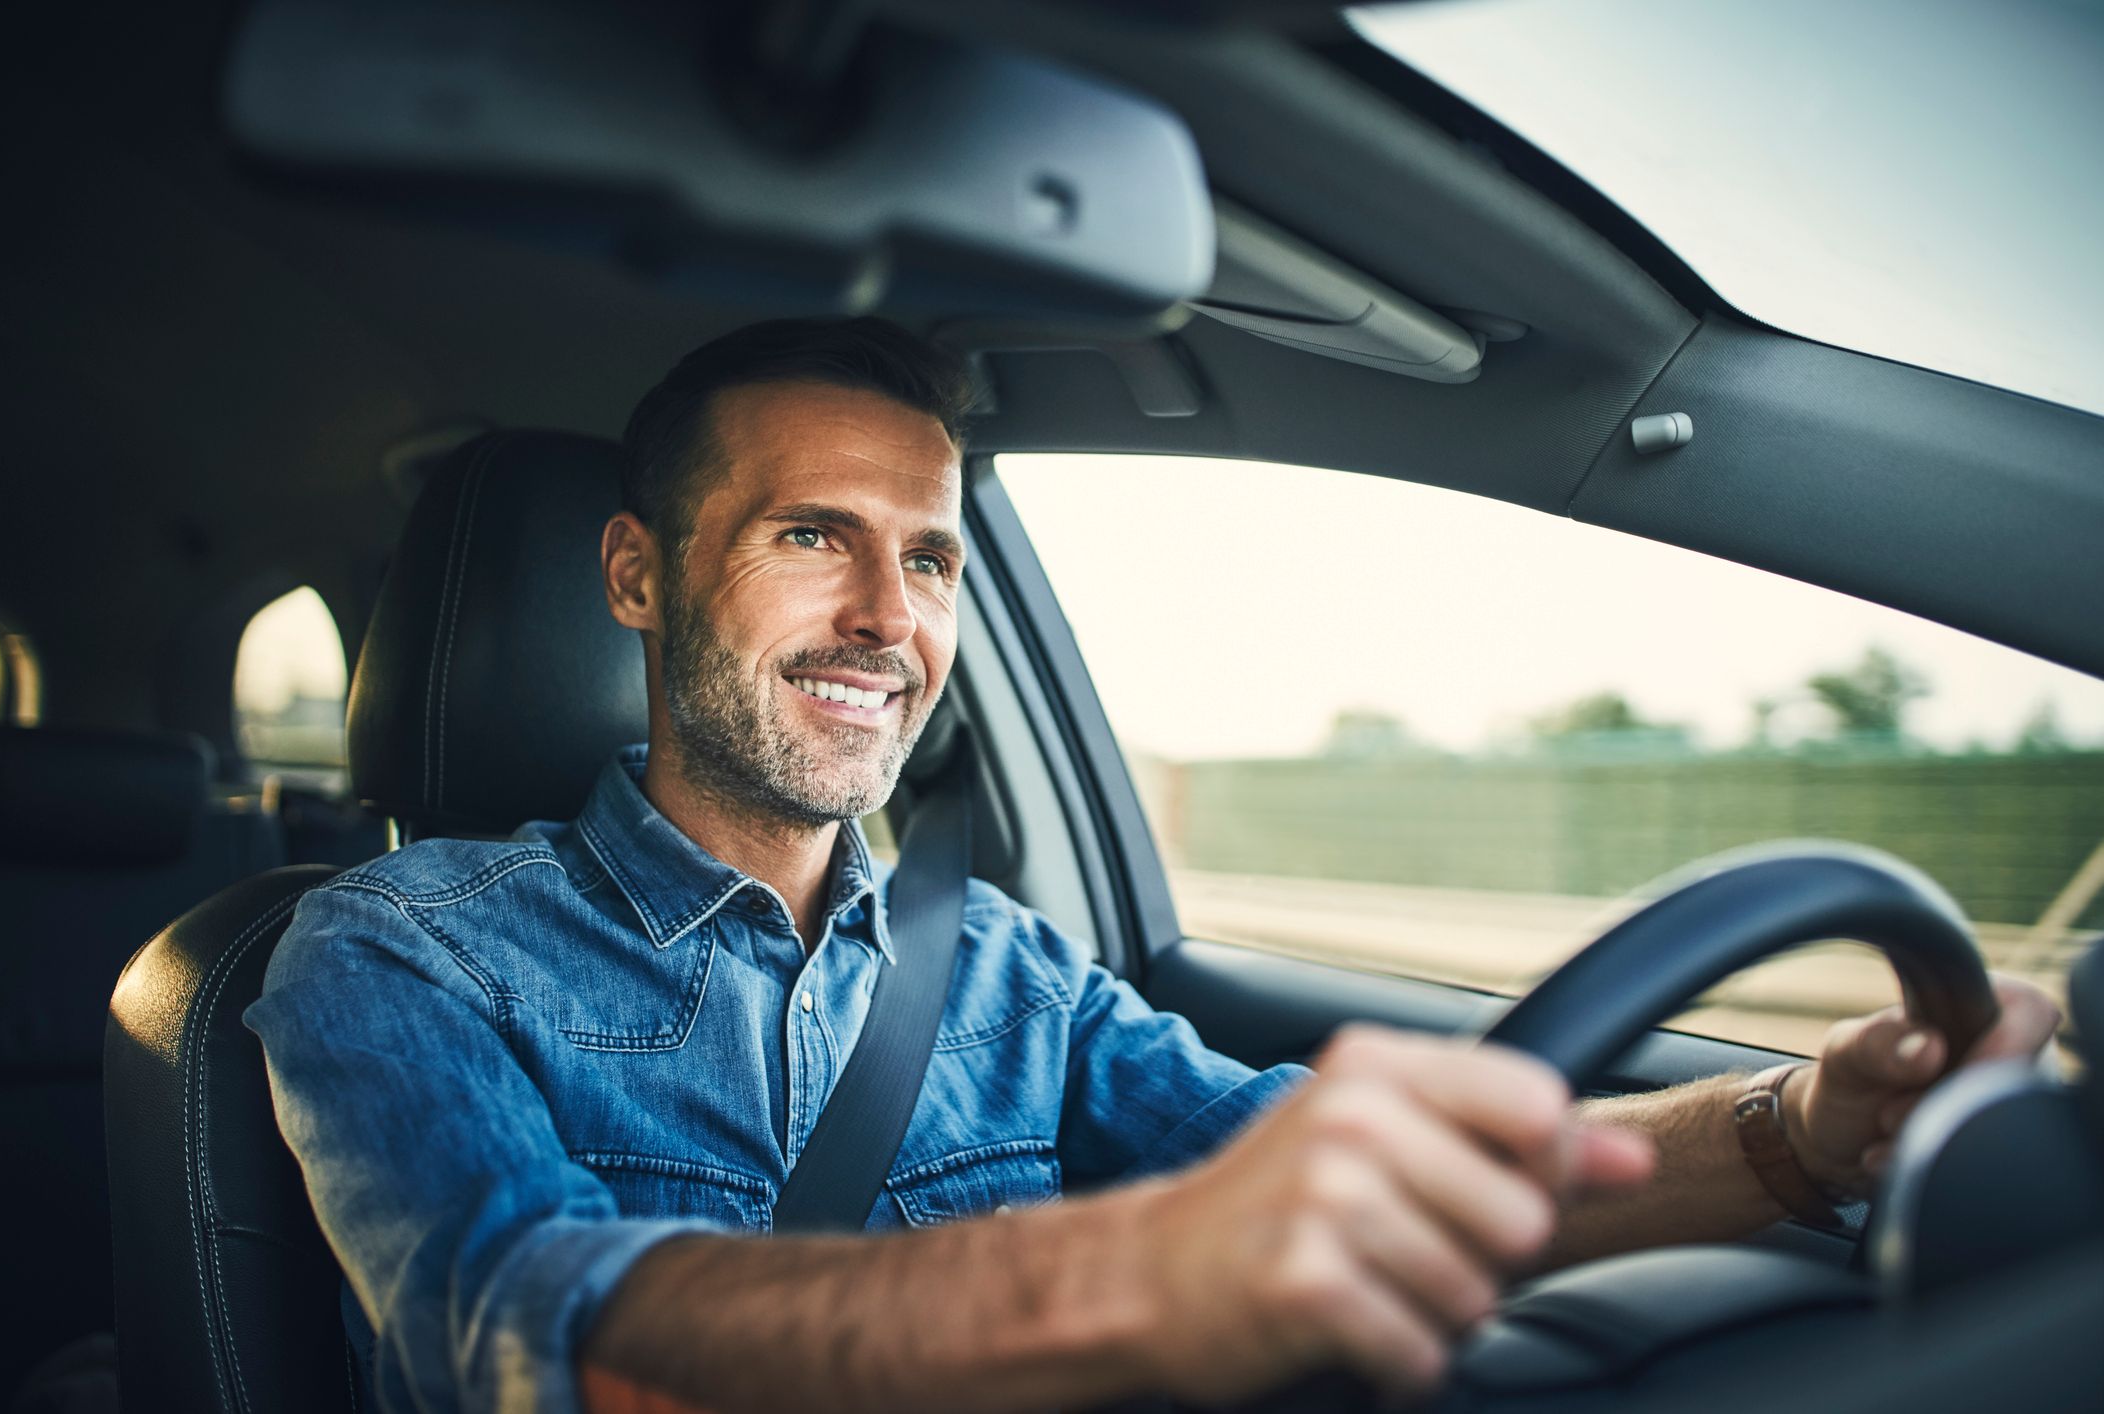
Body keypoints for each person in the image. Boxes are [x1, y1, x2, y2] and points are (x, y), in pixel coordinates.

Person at [247, 318, 2060, 1414]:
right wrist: (1136, 1277)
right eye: (815, 537)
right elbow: (519, 1334)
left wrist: (1796, 1130)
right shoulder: (400, 952)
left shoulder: (1006, 970)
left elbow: (1322, 1171)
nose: (891, 619)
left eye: (935, 559)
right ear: (640, 575)